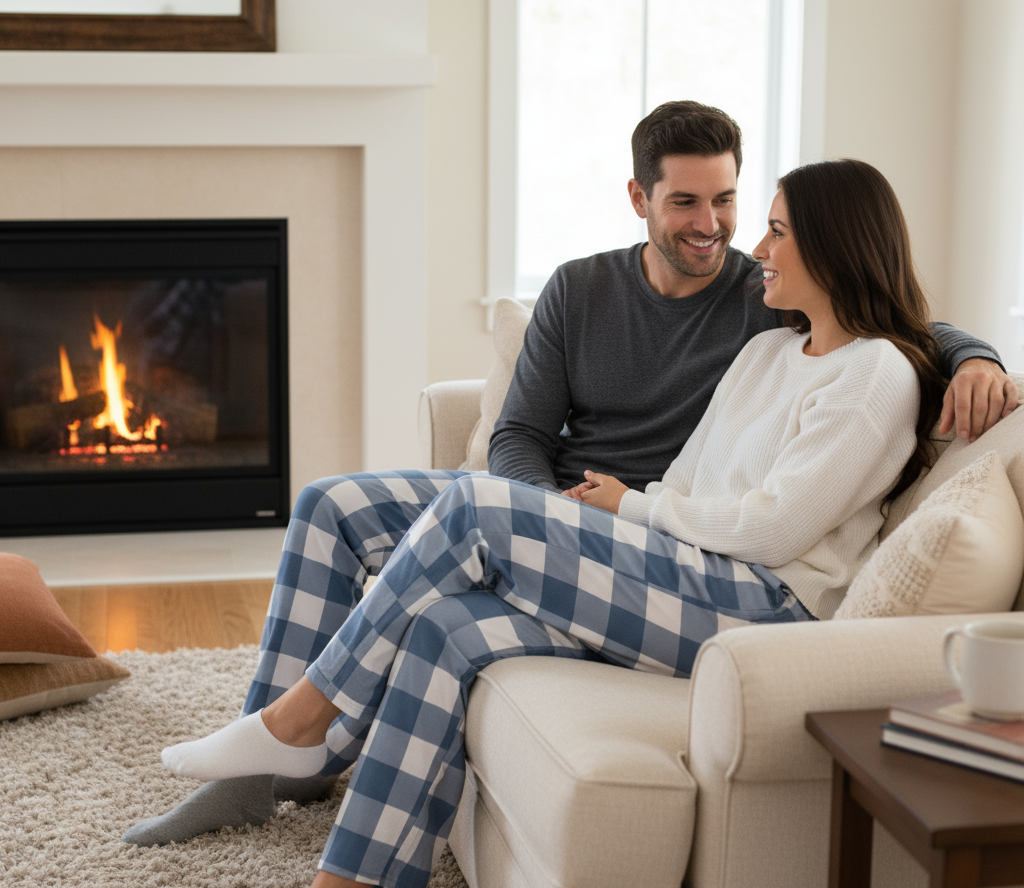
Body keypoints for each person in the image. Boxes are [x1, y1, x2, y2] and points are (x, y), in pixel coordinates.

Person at [122, 101, 1015, 848]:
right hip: (560, 503)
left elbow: (893, 323)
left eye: (729, 202)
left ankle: (300, 734)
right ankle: (268, 765)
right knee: (331, 504)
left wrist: (976, 359)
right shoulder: (580, 289)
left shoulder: (765, 297)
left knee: (470, 535)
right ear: (639, 197)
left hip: (660, 529)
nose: (711, 226)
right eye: (686, 202)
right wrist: (539, 511)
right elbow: (516, 428)